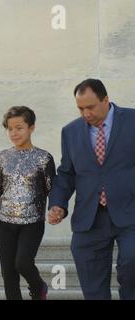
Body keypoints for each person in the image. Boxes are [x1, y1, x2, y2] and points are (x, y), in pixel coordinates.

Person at [48, 79, 135, 300]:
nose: (85, 113)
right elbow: (66, 173)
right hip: (90, 218)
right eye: (80, 108)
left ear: (105, 100)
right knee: (93, 286)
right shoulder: (70, 131)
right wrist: (58, 203)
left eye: (90, 107)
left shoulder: (132, 120)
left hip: (130, 212)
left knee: (132, 265)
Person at [0, 106, 55, 300]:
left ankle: (38, 286)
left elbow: (53, 188)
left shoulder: (44, 158)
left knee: (23, 263)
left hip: (32, 223)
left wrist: (55, 209)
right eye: (10, 129)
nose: (14, 133)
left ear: (31, 128)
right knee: (9, 275)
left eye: (19, 128)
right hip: (4, 222)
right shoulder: (2, 157)